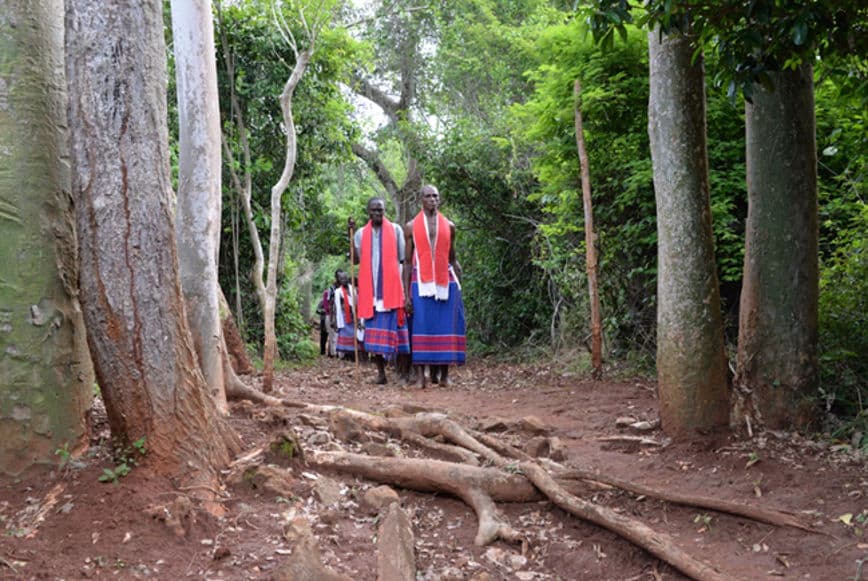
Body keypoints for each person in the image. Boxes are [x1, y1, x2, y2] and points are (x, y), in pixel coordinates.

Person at [403, 184, 466, 387]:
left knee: (444, 325)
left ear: (439, 199)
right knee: (421, 325)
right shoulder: (411, 226)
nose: (432, 199)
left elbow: (452, 256)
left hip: (444, 280)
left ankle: (444, 376)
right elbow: (407, 261)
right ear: (421, 199)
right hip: (420, 280)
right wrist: (406, 295)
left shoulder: (449, 226)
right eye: (428, 196)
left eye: (435, 196)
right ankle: (421, 376)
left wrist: (458, 274)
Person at [351, 197, 410, 384]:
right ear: (368, 211)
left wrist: (404, 290)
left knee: (399, 335)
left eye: (381, 210)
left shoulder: (396, 230)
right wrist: (349, 234)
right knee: (374, 337)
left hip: (391, 290)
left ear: (385, 211)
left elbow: (402, 260)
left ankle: (403, 374)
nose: (378, 213)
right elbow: (355, 260)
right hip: (371, 293)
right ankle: (381, 374)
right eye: (374, 210)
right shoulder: (360, 234)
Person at [331, 269, 360, 360]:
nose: (343, 280)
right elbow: (336, 306)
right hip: (344, 317)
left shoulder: (353, 289)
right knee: (345, 334)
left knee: (354, 335)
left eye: (345, 278)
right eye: (341, 279)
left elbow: (356, 302)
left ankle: (354, 355)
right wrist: (334, 320)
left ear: (347, 278)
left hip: (354, 316)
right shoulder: (338, 292)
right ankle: (346, 355)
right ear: (339, 280)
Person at [317, 280, 336, 357]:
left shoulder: (334, 302)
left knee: (332, 336)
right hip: (323, 319)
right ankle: (322, 351)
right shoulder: (322, 301)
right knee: (324, 336)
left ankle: (330, 352)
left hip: (331, 319)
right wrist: (323, 311)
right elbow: (317, 310)